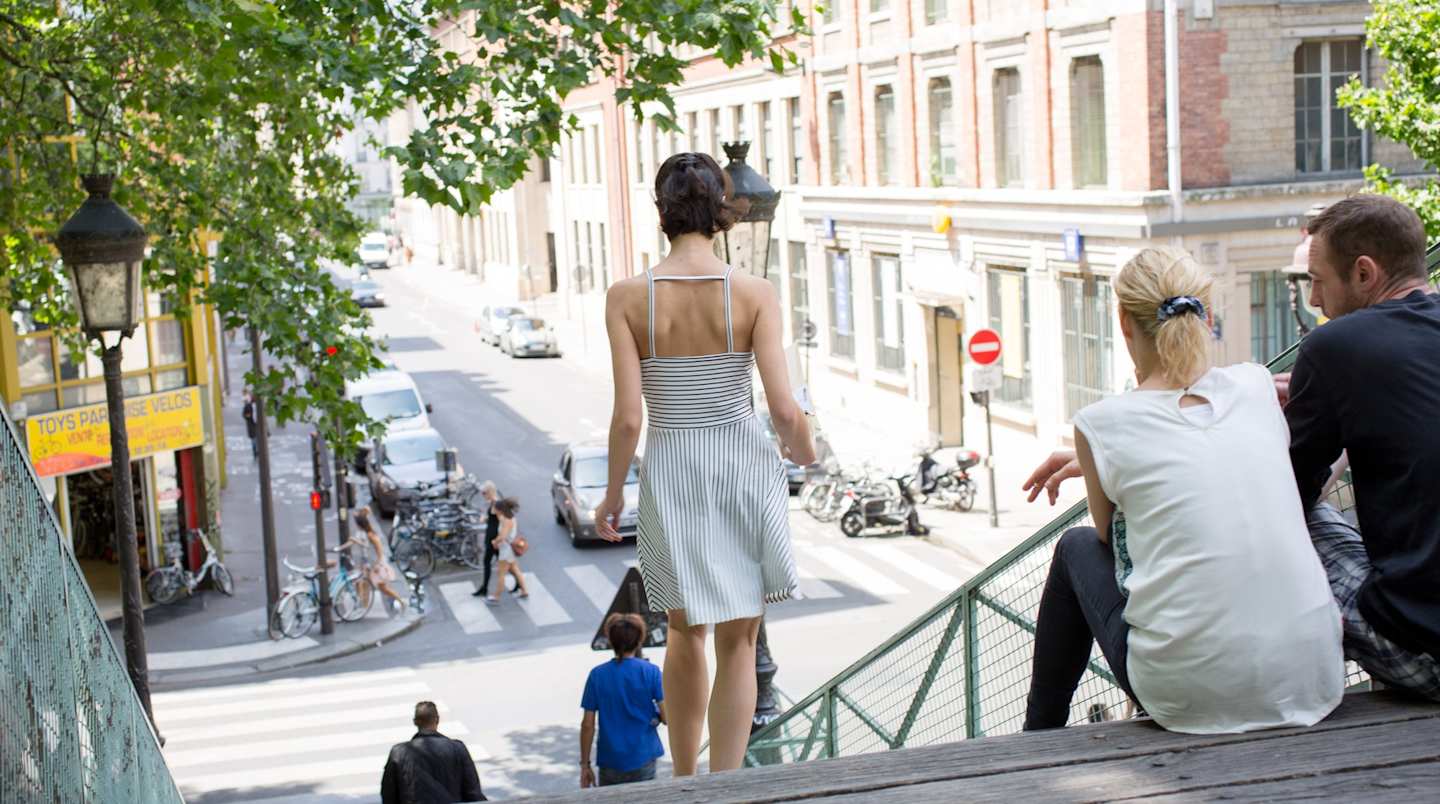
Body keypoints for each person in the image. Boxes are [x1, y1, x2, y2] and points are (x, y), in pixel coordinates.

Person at [1022, 246, 1343, 734]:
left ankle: (1039, 735)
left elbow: (1117, 548)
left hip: (1187, 698)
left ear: (1124, 322)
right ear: (1207, 315)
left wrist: (1098, 467)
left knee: (1075, 546)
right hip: (1314, 678)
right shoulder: (1255, 386)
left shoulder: (1100, 424)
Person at [593, 152, 817, 774]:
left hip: (673, 469)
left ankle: (686, 780)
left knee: (685, 631)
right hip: (741, 462)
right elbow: (783, 408)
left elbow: (628, 418)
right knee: (740, 639)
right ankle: (727, 784)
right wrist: (804, 451)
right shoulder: (753, 293)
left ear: (660, 212)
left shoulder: (627, 298)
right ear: (722, 212)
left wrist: (613, 495)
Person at [1279, 195, 1440, 701]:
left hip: (1423, 654)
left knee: (1287, 522)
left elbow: (1285, 497)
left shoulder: (1335, 345)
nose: (1314, 302)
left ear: (1365, 272)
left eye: (1318, 280)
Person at [580, 614, 668, 788]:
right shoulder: (651, 672)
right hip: (643, 755)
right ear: (639, 640)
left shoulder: (597, 675)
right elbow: (668, 717)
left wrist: (585, 765)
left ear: (611, 641)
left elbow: (587, 725)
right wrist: (656, 715)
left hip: (610, 759)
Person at [381, 701, 486, 804]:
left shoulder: (399, 753)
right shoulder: (457, 748)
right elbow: (473, 792)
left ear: (415, 722)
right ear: (437, 720)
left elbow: (389, 795)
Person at [353, 505, 407, 614]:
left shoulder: (371, 535)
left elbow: (379, 551)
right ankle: (364, 605)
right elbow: (367, 509)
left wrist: (377, 565)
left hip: (378, 565)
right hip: (373, 564)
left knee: (383, 588)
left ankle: (401, 602)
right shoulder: (368, 533)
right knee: (364, 583)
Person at [487, 497, 529, 604]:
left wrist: (494, 542)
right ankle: (525, 591)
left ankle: (496, 596)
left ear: (500, 510)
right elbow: (495, 515)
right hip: (507, 549)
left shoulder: (507, 520)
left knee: (501, 574)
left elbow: (502, 536)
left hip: (506, 551)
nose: (493, 509)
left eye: (495, 508)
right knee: (515, 570)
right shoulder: (507, 517)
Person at [471, 481, 502, 597]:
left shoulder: (497, 504)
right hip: (491, 536)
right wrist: (486, 519)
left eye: (484, 493)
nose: (483, 495)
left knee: (503, 563)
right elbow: (494, 520)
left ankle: (485, 588)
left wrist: (499, 539)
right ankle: (484, 587)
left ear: (490, 492)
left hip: (494, 538)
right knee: (494, 562)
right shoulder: (493, 503)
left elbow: (502, 521)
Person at [241, 389, 258, 457]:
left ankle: (257, 450)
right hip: (251, 425)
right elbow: (244, 414)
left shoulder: (259, 405)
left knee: (257, 439)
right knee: (254, 439)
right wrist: (248, 416)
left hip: (258, 425)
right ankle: (255, 451)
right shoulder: (248, 405)